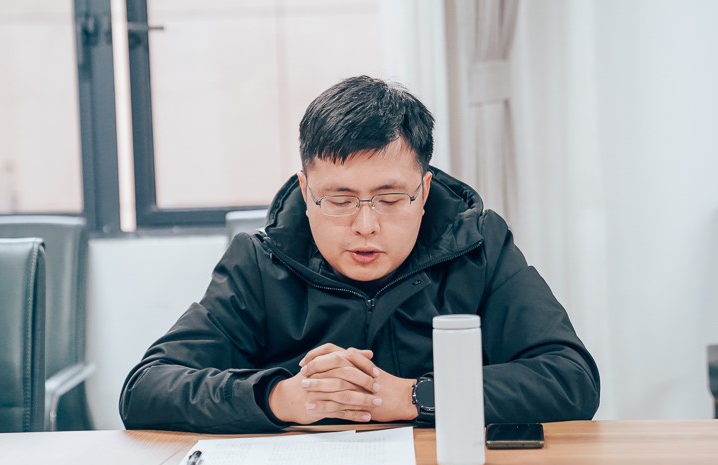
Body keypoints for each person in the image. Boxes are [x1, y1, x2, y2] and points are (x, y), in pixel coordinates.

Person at [119, 76, 600, 433]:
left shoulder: (478, 246)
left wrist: (414, 396)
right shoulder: (258, 263)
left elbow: (571, 379)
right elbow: (146, 388)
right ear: (306, 192)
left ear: (423, 191)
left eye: (389, 199)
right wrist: (282, 398)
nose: (365, 225)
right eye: (339, 199)